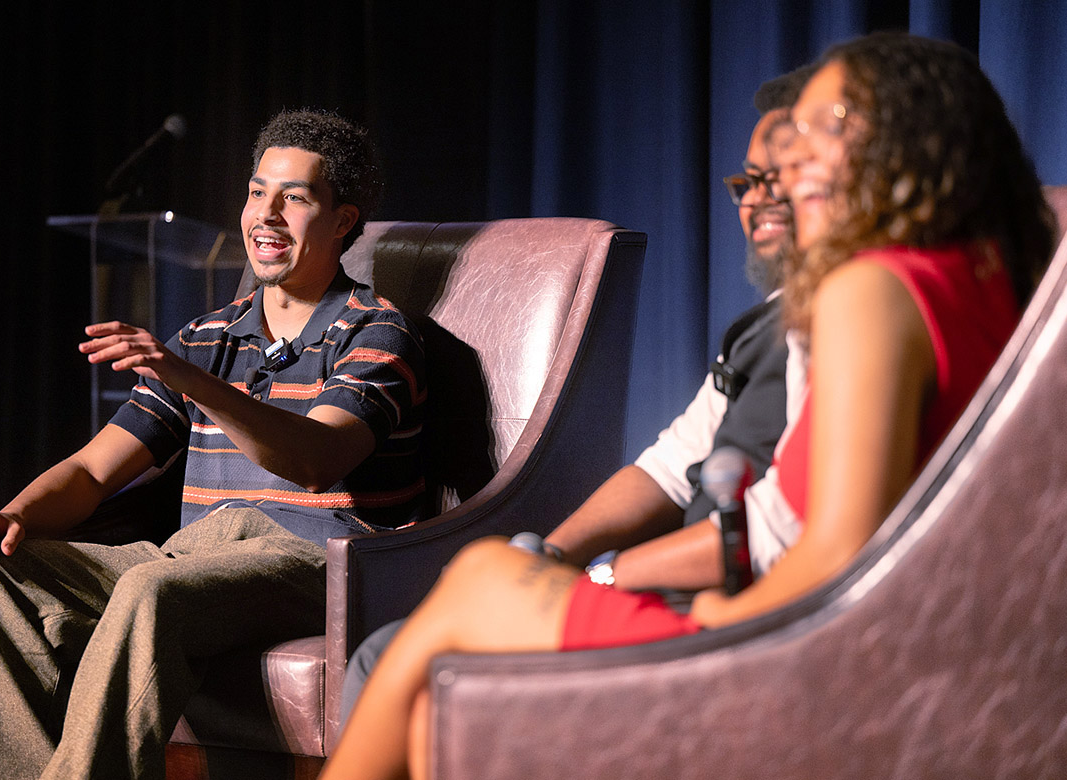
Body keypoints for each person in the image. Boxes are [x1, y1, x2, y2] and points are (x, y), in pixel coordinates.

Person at [320, 32, 1055, 780]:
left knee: (477, 582)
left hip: (790, 648)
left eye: (831, 125)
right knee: (472, 612)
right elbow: (679, 469)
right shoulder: (990, 287)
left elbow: (839, 558)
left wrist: (703, 625)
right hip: (870, 639)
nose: (793, 159)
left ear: (913, 136)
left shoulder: (868, 288)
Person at [0, 109, 426, 780]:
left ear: (343, 220)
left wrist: (189, 378)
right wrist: (8, 518)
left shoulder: (375, 331)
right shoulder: (206, 336)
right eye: (257, 192)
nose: (266, 214)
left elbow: (316, 459)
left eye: (296, 198)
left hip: (322, 561)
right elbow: (91, 471)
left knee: (153, 590)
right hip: (198, 551)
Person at [337, 66, 811, 722]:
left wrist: (605, 579)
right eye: (746, 183)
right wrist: (556, 554)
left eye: (775, 181)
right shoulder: (768, 323)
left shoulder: (852, 320)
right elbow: (669, 470)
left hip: (732, 618)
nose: (753, 202)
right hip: (676, 592)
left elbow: (784, 531)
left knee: (406, 652)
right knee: (410, 637)